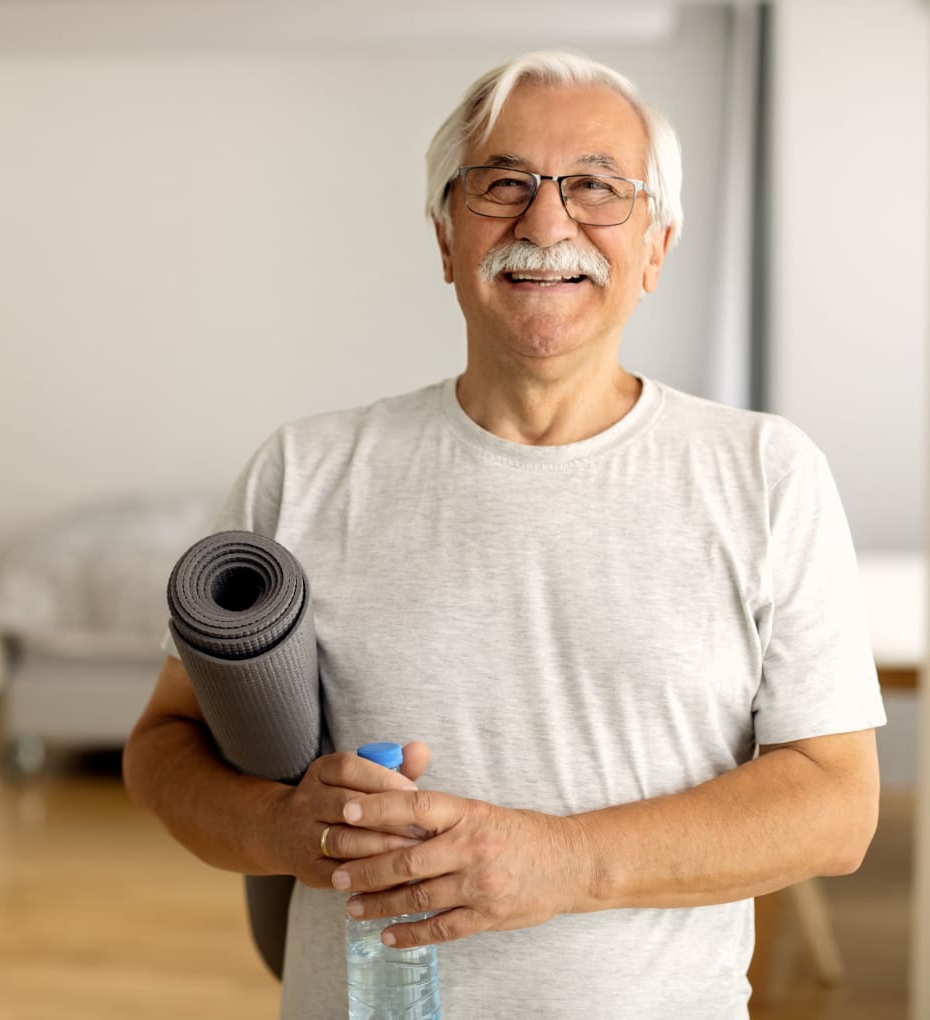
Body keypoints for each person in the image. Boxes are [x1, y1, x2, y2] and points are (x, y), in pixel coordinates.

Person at [123, 50, 885, 1019]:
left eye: (596, 187)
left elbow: (834, 810)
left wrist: (561, 863)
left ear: (656, 245)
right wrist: (279, 828)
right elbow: (161, 748)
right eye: (502, 184)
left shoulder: (766, 475)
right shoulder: (303, 471)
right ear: (445, 238)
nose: (545, 220)